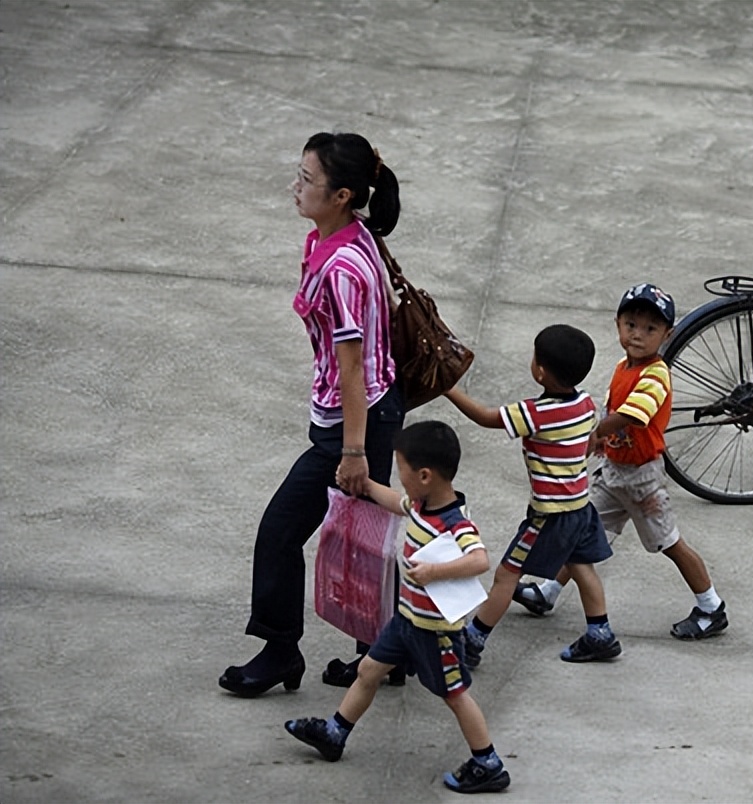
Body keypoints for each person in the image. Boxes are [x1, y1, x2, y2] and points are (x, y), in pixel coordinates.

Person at [219, 132, 406, 697]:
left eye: (307, 180)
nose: (294, 187)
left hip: (356, 420)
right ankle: (385, 655)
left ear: (344, 194)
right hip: (370, 408)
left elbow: (352, 369)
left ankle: (281, 653)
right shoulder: (347, 236)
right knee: (362, 537)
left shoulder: (342, 267)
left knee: (281, 532)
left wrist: (352, 452)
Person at [284, 420, 510, 794]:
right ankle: (335, 732)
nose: (399, 476)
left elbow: (479, 560)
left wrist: (436, 571)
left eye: (401, 469)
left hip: (436, 633)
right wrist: (365, 487)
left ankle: (487, 761)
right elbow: (396, 502)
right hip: (406, 621)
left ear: (424, 475)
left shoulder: (456, 523)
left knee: (454, 695)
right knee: (369, 669)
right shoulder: (420, 504)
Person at [513, 284, 729, 640]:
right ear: (617, 324)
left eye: (650, 329)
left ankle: (711, 606)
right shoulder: (621, 367)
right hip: (614, 472)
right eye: (630, 324)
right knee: (581, 533)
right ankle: (549, 592)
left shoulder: (657, 374)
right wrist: (599, 440)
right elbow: (612, 409)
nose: (637, 335)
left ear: (667, 335)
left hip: (643, 481)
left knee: (669, 543)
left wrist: (591, 432)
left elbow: (632, 415)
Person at [443, 324, 621, 664]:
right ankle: (600, 633)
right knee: (582, 566)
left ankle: (473, 640)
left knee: (507, 574)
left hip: (548, 515)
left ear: (540, 372)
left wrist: (447, 389)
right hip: (580, 507)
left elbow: (485, 417)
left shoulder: (535, 414)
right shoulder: (586, 404)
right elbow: (585, 446)